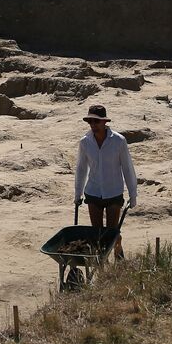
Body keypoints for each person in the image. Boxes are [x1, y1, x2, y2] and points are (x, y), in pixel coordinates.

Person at [73, 103, 137, 259]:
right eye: (90, 122)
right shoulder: (85, 142)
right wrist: (78, 193)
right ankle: (102, 266)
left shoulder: (118, 141)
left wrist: (133, 194)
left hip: (113, 192)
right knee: (97, 233)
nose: (93, 125)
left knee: (112, 232)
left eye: (96, 121)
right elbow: (81, 168)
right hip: (93, 192)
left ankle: (118, 249)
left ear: (104, 122)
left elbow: (127, 168)